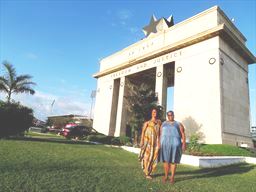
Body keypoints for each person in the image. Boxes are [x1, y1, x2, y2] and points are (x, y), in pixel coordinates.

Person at [159, 110, 186, 184]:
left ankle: (172, 177)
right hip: (164, 144)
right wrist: (159, 143)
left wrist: (184, 144)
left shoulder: (178, 124)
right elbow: (160, 134)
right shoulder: (163, 124)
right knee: (165, 161)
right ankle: (166, 176)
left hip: (175, 144)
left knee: (173, 161)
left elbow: (183, 134)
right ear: (167, 116)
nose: (170, 116)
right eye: (169, 115)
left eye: (171, 115)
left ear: (174, 115)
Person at [139, 108, 161, 180]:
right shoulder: (147, 123)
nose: (155, 113)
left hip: (155, 142)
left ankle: (149, 170)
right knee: (147, 156)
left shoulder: (159, 122)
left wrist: (159, 142)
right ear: (151, 113)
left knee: (154, 156)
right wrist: (142, 141)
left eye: (156, 112)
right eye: (153, 112)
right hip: (147, 141)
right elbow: (143, 132)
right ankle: (146, 172)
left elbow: (160, 133)